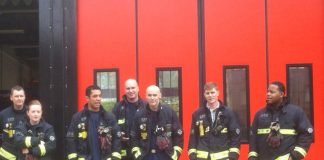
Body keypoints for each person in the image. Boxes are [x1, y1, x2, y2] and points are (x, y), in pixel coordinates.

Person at [248, 81, 313, 160]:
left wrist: (295, 155)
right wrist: (252, 156)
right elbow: (253, 138)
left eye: (272, 92)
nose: (268, 94)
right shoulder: (259, 114)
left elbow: (307, 134)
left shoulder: (296, 112)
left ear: (281, 94)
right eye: (267, 92)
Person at [66, 85, 121, 160]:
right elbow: (71, 139)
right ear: (87, 98)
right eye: (95, 96)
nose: (98, 99)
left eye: (100, 96)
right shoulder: (77, 118)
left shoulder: (109, 117)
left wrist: (114, 157)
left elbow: (117, 138)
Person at [188, 82, 241, 160]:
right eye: (207, 93)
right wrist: (192, 156)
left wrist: (232, 157)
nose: (210, 95)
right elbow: (193, 138)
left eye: (213, 92)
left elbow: (235, 137)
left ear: (218, 93)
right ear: (204, 95)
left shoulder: (229, 113)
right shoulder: (197, 114)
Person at [130, 85, 183, 160]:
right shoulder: (139, 114)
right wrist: (138, 155)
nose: (152, 98)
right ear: (146, 96)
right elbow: (134, 136)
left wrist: (175, 154)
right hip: (145, 156)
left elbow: (178, 135)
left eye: (155, 95)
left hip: (165, 156)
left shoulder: (169, 112)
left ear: (160, 96)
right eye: (149, 95)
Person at [112, 79, 146, 160]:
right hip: (123, 149)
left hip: (142, 149)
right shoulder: (118, 107)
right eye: (128, 88)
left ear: (138, 88)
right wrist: (118, 134)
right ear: (124, 90)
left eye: (133, 88)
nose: (130, 91)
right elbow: (111, 126)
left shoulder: (146, 106)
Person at [0, 85, 27, 159]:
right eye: (16, 96)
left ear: (24, 97)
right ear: (11, 98)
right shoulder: (3, 114)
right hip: (7, 154)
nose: (19, 98)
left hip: (26, 154)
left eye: (21, 96)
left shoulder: (31, 113)